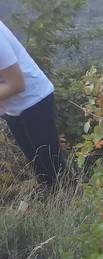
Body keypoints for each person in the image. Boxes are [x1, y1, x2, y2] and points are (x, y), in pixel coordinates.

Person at [0, 19, 63, 187]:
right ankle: (52, 206)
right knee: (39, 170)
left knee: (55, 171)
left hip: (35, 101)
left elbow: (17, 83)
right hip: (12, 108)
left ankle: (73, 206)